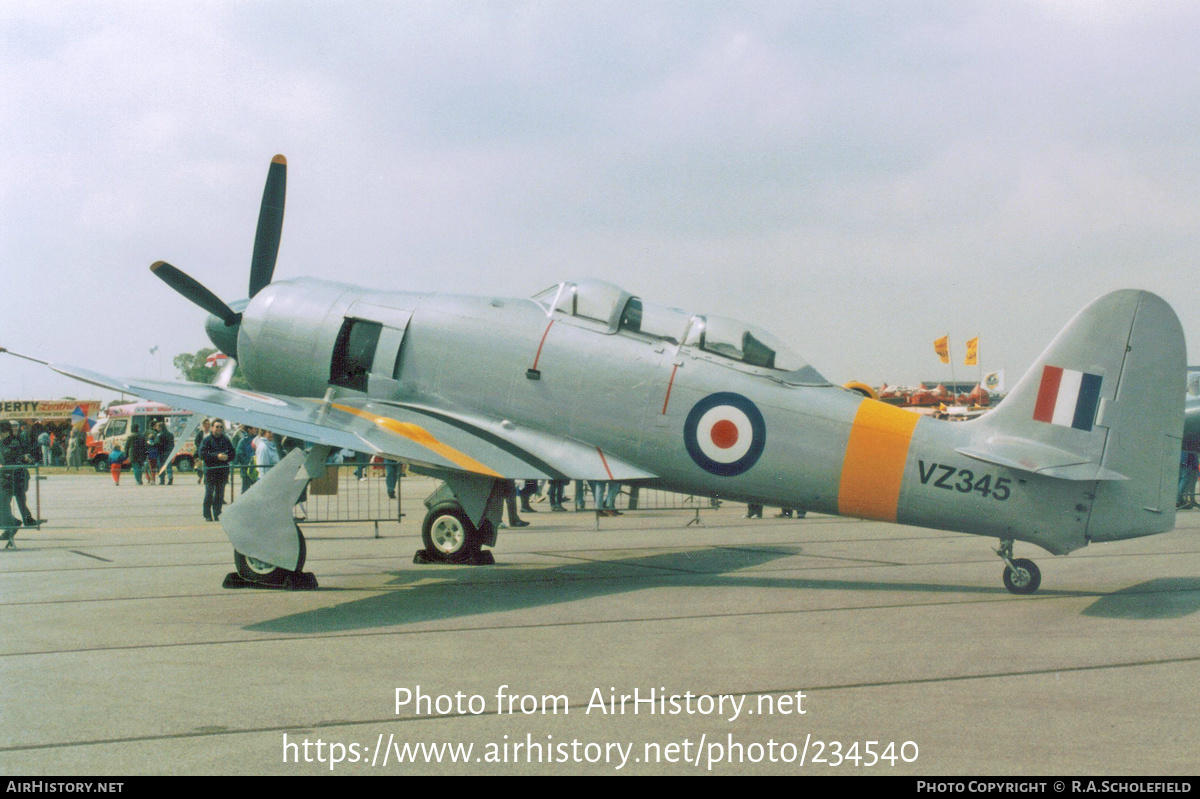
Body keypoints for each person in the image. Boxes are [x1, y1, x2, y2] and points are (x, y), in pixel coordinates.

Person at [198, 420, 235, 521]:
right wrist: (216, 456)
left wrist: (227, 457)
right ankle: (207, 514)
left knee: (220, 494)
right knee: (209, 493)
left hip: (222, 471)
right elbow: (202, 454)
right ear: (212, 428)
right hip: (211, 471)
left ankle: (217, 513)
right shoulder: (206, 440)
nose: (219, 429)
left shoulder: (226, 440)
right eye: (217, 426)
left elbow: (233, 453)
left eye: (221, 427)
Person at [154, 420, 175, 485]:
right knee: (169, 466)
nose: (156, 428)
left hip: (161, 453)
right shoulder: (170, 434)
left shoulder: (159, 435)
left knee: (161, 466)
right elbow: (172, 444)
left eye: (157, 427)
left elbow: (157, 444)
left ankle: (162, 480)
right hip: (169, 452)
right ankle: (170, 478)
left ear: (160, 427)